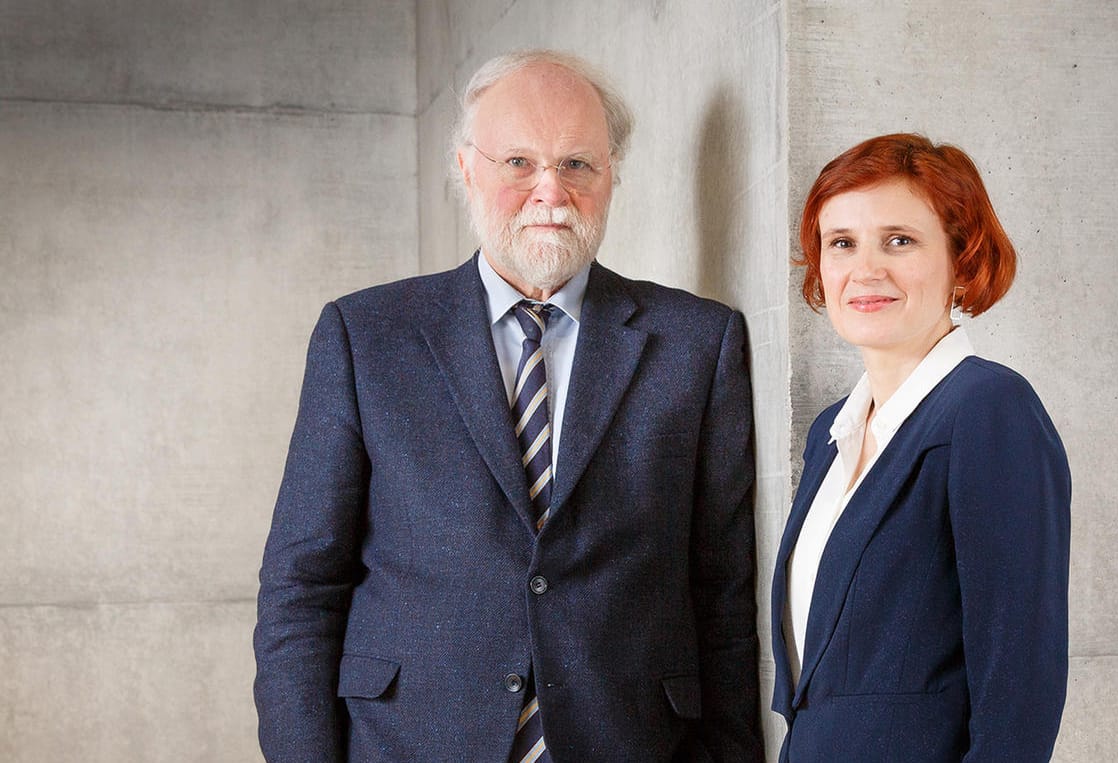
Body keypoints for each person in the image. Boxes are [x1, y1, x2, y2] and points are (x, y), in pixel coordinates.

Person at [253, 49, 763, 762]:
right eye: (517, 162)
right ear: (466, 169)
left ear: (613, 173)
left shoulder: (697, 345)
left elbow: (723, 596)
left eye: (577, 164)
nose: (550, 192)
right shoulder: (365, 336)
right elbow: (301, 587)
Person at [770, 133, 1071, 761]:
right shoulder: (833, 432)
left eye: (899, 241)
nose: (866, 269)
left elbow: (1019, 681)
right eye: (842, 243)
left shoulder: (989, 411)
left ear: (962, 261)